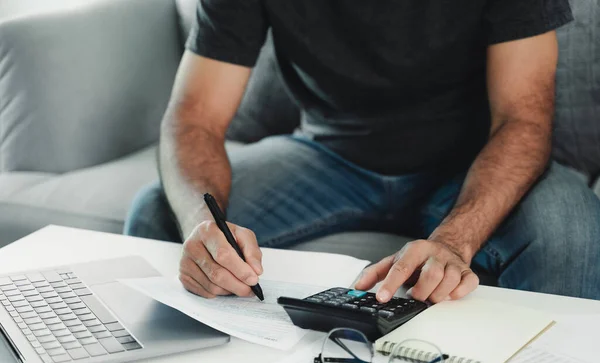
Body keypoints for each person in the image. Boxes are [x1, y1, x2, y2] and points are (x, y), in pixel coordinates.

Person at [125, 1, 600, 302]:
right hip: (328, 155)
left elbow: (524, 121)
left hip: (472, 165)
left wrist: (455, 241)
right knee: (161, 215)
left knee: (571, 233)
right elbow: (194, 118)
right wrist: (203, 226)